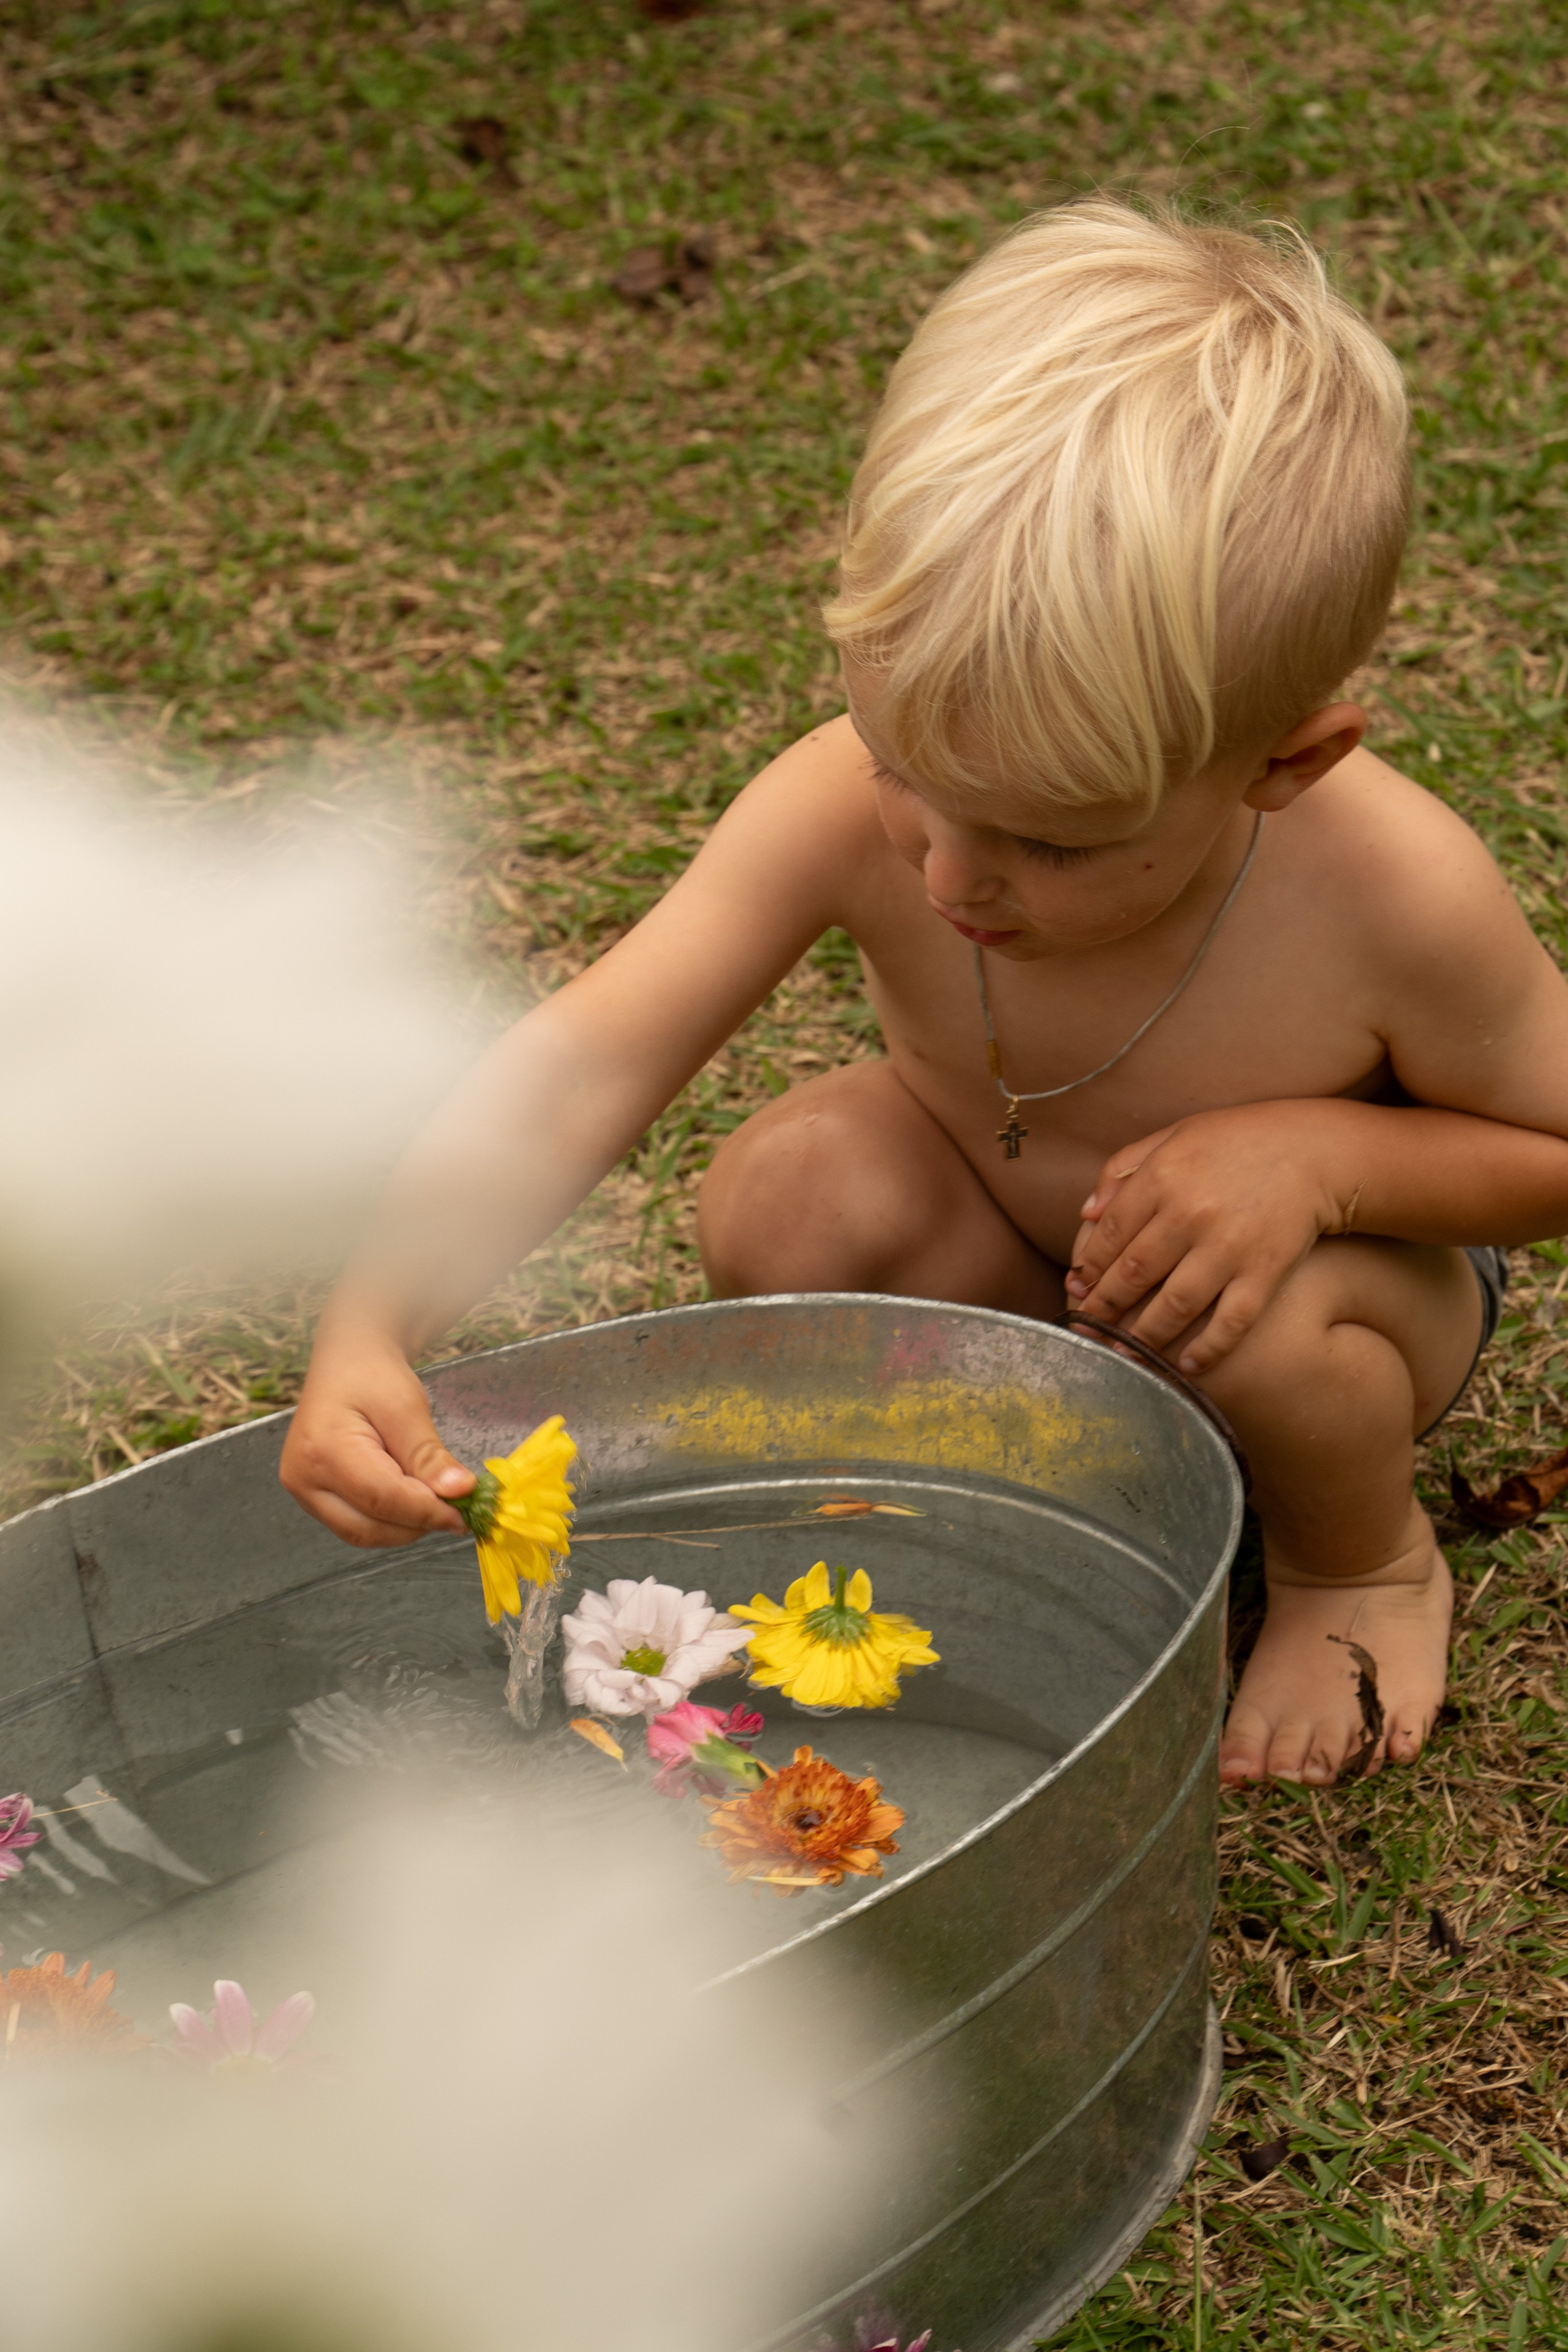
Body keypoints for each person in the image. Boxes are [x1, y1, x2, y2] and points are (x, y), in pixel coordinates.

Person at [281, 198, 1568, 1787]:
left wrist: (1318, 1164)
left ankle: (1356, 1561)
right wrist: (373, 1318)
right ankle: (1035, 1469)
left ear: (1284, 764)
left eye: (1051, 840)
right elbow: (589, 1057)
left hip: (1332, 1298)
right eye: (907, 775)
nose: (953, 878)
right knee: (795, 1193)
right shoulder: (837, 802)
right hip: (1022, 1241)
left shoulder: (1390, 898)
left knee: (1271, 1313)